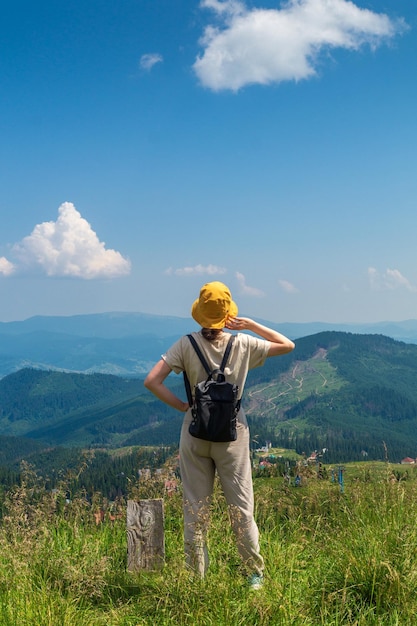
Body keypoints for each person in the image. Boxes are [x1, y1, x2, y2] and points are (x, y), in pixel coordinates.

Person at [144, 281, 295, 589]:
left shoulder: (185, 344)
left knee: (195, 508)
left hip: (195, 432)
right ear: (228, 313)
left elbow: (152, 381)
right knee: (241, 508)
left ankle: (196, 577)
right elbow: (287, 345)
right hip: (233, 435)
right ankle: (253, 575)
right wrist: (250, 324)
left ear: (200, 314)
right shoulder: (243, 344)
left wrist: (184, 406)